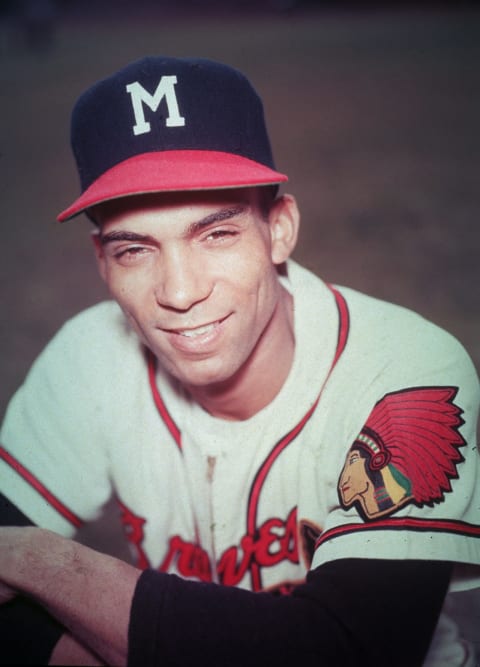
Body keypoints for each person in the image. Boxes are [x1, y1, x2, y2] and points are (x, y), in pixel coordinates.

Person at [0, 55, 479, 666]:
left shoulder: (404, 370)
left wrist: (39, 559)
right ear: (102, 262)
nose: (179, 291)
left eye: (216, 234)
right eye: (135, 249)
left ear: (279, 228)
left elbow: (354, 650)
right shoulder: (86, 356)